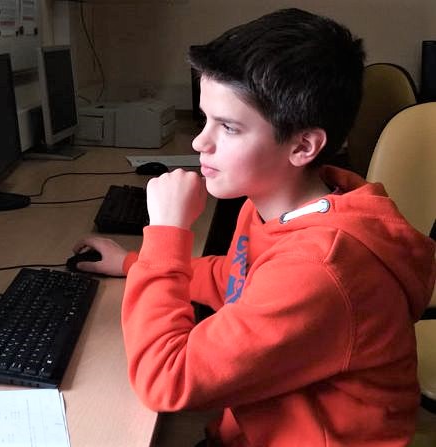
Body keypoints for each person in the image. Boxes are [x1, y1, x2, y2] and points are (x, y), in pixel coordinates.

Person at [73, 8, 436, 446]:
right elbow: (237, 280)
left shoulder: (320, 269)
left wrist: (166, 234)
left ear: (303, 145)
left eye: (228, 127)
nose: (199, 142)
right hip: (254, 426)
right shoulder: (272, 205)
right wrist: (133, 263)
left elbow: (167, 379)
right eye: (205, 118)